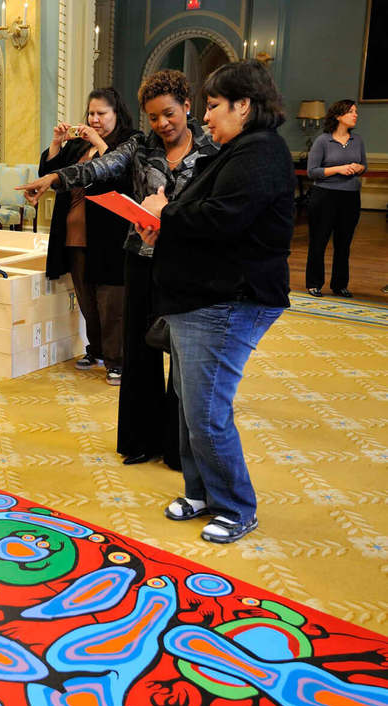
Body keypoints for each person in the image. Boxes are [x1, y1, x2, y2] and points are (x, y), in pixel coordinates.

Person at [20, 70, 218, 469]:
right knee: (140, 354)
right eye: (154, 117)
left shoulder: (213, 149)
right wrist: (56, 177)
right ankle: (141, 440)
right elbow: (100, 168)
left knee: (184, 357)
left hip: (188, 264)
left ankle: (179, 449)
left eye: (169, 114)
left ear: (186, 107)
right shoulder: (140, 146)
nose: (162, 124)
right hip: (140, 257)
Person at [135, 60, 294, 544]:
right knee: (187, 405)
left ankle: (235, 505)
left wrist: (166, 214)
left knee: (206, 411)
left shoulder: (261, 151)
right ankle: (201, 490)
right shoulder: (239, 150)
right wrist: (163, 217)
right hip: (201, 299)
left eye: (214, 106)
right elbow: (204, 212)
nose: (206, 117)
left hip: (227, 301)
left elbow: (222, 219)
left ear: (244, 105)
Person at [39, 87, 136, 385]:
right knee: (86, 299)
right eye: (91, 113)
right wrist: (57, 143)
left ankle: (116, 360)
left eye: (101, 114)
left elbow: (122, 175)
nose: (94, 119)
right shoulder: (76, 147)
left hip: (109, 236)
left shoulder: (129, 143)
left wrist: (97, 140)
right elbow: (50, 174)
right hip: (73, 234)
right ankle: (94, 350)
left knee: (112, 302)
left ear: (116, 114)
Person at [304, 99, 365, 298]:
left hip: (350, 197)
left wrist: (358, 167)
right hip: (324, 196)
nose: (355, 115)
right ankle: (314, 283)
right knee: (319, 241)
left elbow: (364, 165)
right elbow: (312, 171)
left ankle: (340, 285)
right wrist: (339, 169)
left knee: (344, 243)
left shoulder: (358, 141)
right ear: (338, 116)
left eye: (356, 111)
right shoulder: (323, 141)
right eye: (351, 112)